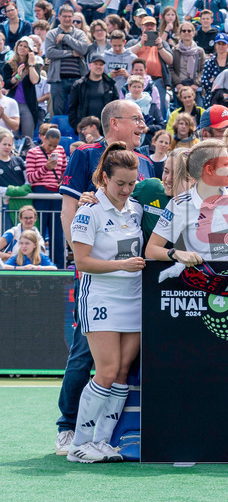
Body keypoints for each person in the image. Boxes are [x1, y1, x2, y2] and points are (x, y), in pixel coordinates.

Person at [65, 141, 144, 463]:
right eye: (120, 183)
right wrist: (121, 266)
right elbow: (81, 261)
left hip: (134, 298)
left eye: (131, 183)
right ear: (104, 178)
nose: (126, 189)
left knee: (123, 372)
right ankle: (78, 443)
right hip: (101, 297)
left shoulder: (136, 208)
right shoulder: (89, 211)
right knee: (107, 370)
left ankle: (101, 441)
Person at [145, 138, 228, 265]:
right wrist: (176, 254)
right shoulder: (179, 204)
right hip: (208, 280)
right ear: (209, 170)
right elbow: (151, 250)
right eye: (226, 164)